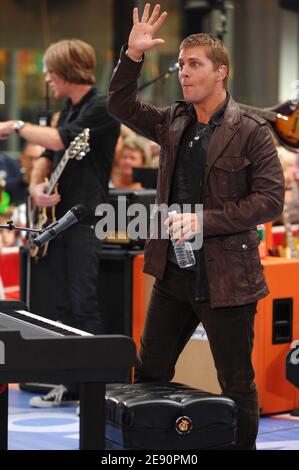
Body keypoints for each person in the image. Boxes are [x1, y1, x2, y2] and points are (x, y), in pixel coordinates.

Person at [107, 3, 285, 449]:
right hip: (173, 275)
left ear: (221, 72)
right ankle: (148, 452)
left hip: (228, 279)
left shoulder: (251, 130)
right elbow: (120, 103)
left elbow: (269, 201)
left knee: (237, 384)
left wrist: (204, 220)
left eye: (195, 65)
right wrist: (132, 56)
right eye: (181, 64)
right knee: (149, 373)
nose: (184, 73)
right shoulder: (174, 120)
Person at [0, 38, 120, 406]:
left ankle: (96, 387)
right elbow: (46, 155)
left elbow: (57, 139)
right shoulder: (67, 109)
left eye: (51, 71)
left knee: (84, 304)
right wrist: (37, 185)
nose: (47, 79)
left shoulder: (101, 108)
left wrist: (16, 125)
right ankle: (72, 385)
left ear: (68, 70)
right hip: (57, 221)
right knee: (64, 308)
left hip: (85, 218)